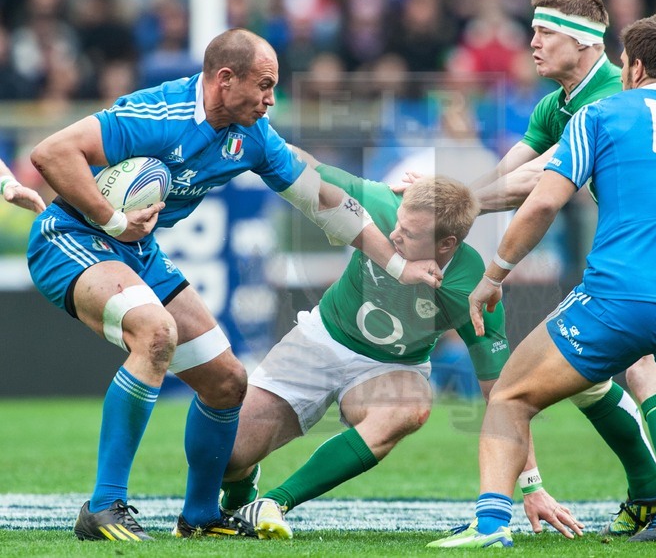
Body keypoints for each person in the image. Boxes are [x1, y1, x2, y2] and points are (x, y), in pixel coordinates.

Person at [26, 28, 442, 542]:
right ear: (225, 80)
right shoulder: (158, 115)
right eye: (265, 86)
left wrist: (399, 265)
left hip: (136, 252)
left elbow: (321, 201)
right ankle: (105, 506)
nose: (272, 99)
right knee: (155, 333)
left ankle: (200, 517)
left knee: (227, 381)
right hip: (73, 238)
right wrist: (111, 219)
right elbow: (51, 152)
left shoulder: (254, 137)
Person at [429, 14, 656, 548]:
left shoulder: (601, 113)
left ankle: (492, 524)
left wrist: (494, 275)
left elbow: (542, 200)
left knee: (511, 395)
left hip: (617, 299)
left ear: (631, 67)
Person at [220, 155, 584, 540]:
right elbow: (303, 166)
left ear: (447, 244)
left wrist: (532, 485)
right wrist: (250, 136)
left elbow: (504, 394)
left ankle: (275, 502)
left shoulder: (470, 287)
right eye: (399, 223)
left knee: (410, 407)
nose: (394, 235)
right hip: (321, 339)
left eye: (409, 235)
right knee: (229, 459)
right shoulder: (378, 203)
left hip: (391, 369)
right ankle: (243, 486)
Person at [469, 0, 656, 536]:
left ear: (586, 44)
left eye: (545, 33)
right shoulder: (556, 102)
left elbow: (537, 183)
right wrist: (447, 200)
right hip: (632, 246)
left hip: (647, 247)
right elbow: (503, 173)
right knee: (593, 375)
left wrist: (451, 206)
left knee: (635, 365)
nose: (531, 43)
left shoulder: (608, 95)